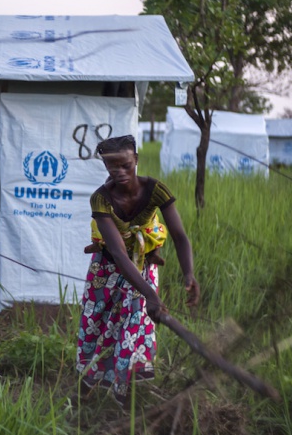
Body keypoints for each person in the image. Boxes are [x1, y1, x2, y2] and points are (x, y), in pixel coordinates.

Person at [76, 135, 200, 406]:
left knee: (134, 328)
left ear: (136, 160)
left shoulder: (156, 190)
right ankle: (85, 391)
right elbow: (119, 254)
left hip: (143, 266)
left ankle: (124, 398)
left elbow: (179, 236)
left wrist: (188, 274)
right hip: (106, 271)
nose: (120, 172)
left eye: (126, 165)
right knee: (98, 327)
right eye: (112, 167)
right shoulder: (101, 199)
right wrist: (151, 296)